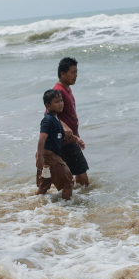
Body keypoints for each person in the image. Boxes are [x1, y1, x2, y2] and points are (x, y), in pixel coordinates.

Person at [50, 57, 89, 187]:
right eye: (72, 72)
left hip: (69, 140)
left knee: (70, 176)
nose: (76, 75)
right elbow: (49, 114)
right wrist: (66, 128)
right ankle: (84, 203)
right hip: (66, 141)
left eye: (76, 72)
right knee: (82, 175)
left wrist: (76, 136)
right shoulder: (59, 91)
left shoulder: (66, 89)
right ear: (62, 73)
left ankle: (71, 202)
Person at [36, 89, 74, 200]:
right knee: (69, 182)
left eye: (61, 100)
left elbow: (63, 135)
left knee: (45, 185)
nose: (61, 103)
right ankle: (68, 208)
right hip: (51, 158)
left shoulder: (56, 119)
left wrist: (77, 140)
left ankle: (36, 205)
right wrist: (39, 157)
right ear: (47, 105)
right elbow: (41, 140)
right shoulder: (48, 120)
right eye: (57, 102)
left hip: (47, 159)